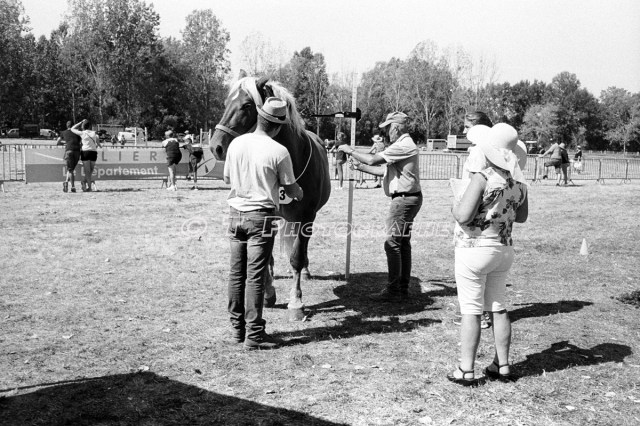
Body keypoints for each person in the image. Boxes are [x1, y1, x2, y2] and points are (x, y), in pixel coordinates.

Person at [448, 123, 528, 386]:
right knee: (498, 306)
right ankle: (502, 365)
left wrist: (455, 202)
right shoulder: (519, 182)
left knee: (470, 310)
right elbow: (522, 217)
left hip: (474, 248)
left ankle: (466, 369)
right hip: (503, 248)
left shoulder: (482, 177)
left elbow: (463, 215)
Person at [224, 97, 304, 350]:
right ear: (279, 126)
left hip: (235, 214)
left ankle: (237, 330)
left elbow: (227, 178)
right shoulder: (279, 151)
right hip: (262, 217)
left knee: (236, 274)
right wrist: (299, 192)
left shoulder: (237, 143)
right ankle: (255, 335)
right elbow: (291, 189)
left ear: (259, 118)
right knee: (255, 276)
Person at [339, 111, 422, 302]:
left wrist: (349, 150)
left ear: (396, 128)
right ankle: (401, 288)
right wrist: (360, 167)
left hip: (403, 200)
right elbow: (383, 170)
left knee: (392, 244)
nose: (386, 133)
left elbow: (372, 159)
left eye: (388, 128)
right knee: (402, 244)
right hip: (408, 198)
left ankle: (394, 291)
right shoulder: (403, 145)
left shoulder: (403, 145)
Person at [459, 111, 494, 329]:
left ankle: (476, 315)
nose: (463, 131)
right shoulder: (492, 149)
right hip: (489, 214)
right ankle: (483, 312)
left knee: (473, 269)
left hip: (474, 213)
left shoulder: (478, 151)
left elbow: (475, 182)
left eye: (467, 127)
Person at [71, 119, 101, 192]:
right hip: (93, 152)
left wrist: (80, 122)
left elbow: (72, 129)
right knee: (90, 171)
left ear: (83, 126)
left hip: (85, 152)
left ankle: (86, 184)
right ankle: (87, 184)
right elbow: (98, 142)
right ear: (90, 126)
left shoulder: (82, 133)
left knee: (88, 171)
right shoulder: (94, 133)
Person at [56, 121, 82, 193]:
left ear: (66, 126)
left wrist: (65, 143)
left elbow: (58, 142)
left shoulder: (63, 132)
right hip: (77, 151)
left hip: (69, 151)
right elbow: (80, 142)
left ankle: (73, 186)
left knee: (70, 170)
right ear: (73, 126)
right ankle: (66, 182)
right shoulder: (77, 133)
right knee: (71, 169)